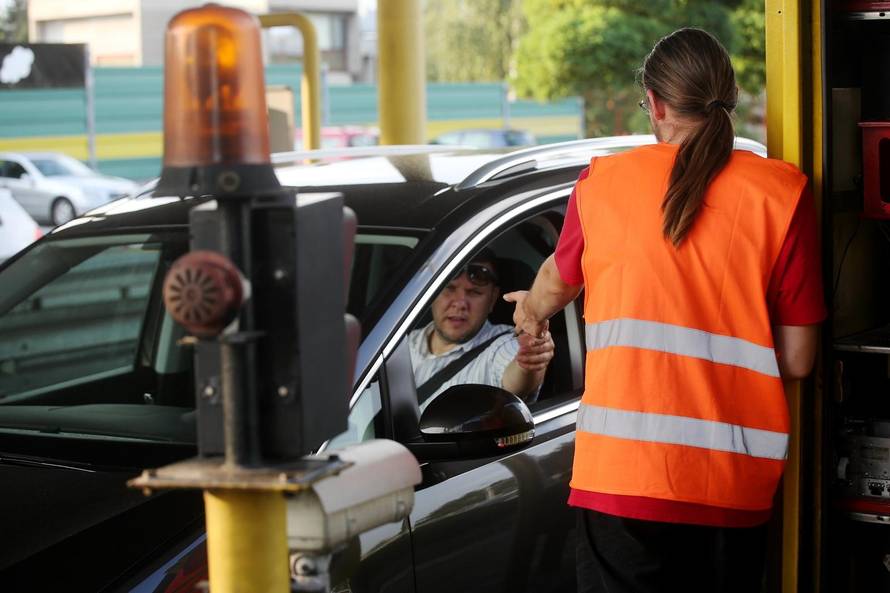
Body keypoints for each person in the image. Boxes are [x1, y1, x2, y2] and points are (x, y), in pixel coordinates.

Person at [505, 28, 825, 593]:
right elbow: (799, 359)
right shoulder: (783, 194)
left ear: (653, 103)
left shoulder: (603, 186)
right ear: (725, 96)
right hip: (732, 484)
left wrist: (530, 313)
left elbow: (558, 280)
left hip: (624, 478)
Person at [408, 251, 555, 411]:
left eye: (474, 292)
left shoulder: (504, 343)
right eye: (449, 288)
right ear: (431, 295)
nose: (460, 303)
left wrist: (530, 358)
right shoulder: (399, 343)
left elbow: (516, 378)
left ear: (492, 299)